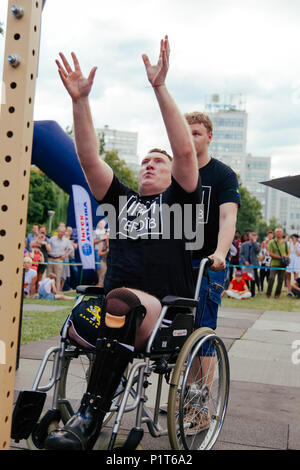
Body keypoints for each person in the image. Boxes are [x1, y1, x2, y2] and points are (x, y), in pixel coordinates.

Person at [45, 36, 201, 450]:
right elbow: (88, 156)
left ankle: (89, 419)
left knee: (119, 301)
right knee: (85, 313)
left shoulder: (181, 198)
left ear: (173, 174)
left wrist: (159, 86)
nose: (150, 164)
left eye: (159, 162)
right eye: (145, 161)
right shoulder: (122, 200)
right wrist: (80, 101)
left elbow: (185, 149)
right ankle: (52, 409)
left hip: (165, 310)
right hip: (118, 302)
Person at [183, 111, 240, 332]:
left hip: (206, 262)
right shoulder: (171, 171)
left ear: (210, 137)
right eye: (185, 133)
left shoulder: (223, 175)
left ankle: (202, 365)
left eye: (196, 133)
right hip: (174, 261)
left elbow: (228, 217)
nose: (190, 137)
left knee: (201, 329)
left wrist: (220, 253)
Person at [267, 227, 291, 299]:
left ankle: (277, 294)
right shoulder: (272, 242)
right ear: (275, 233)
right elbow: (270, 253)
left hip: (283, 264)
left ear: (282, 233)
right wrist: (280, 257)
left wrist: (285, 257)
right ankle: (268, 293)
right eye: (277, 232)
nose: (279, 233)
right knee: (271, 278)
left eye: (280, 232)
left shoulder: (285, 242)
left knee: (281, 280)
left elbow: (288, 253)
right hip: (274, 263)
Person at [48, 226, 72, 291]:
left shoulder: (66, 241)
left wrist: (65, 255)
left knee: (58, 276)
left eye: (63, 232)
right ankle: (49, 290)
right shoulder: (52, 239)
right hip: (50, 259)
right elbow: (48, 247)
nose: (61, 233)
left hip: (59, 259)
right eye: (60, 232)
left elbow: (71, 249)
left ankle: (57, 291)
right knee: (49, 275)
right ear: (57, 232)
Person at [240, 231, 261, 297]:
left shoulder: (256, 244)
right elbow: (241, 254)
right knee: (245, 278)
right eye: (251, 236)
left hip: (253, 264)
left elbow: (258, 250)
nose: (252, 237)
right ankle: (246, 291)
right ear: (249, 237)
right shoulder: (244, 245)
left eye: (253, 236)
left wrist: (254, 242)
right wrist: (245, 261)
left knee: (253, 279)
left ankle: (253, 293)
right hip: (246, 264)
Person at [93, 219, 109, 286]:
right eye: (100, 223)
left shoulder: (106, 231)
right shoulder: (95, 232)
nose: (101, 225)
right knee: (98, 266)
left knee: (105, 267)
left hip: (105, 251)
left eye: (102, 224)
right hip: (97, 250)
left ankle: (103, 282)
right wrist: (102, 239)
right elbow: (93, 242)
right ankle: (100, 281)